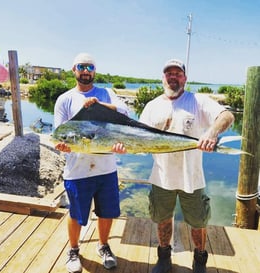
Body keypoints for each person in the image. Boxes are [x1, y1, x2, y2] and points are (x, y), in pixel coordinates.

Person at [139, 59, 234, 273]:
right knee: (162, 219)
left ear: (185, 78)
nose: (173, 77)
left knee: (198, 222)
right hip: (161, 177)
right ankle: (164, 257)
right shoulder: (152, 106)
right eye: (168, 73)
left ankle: (199, 259)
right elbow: (140, 138)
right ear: (162, 78)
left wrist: (211, 132)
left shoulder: (198, 101)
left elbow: (227, 115)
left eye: (178, 73)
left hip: (193, 177)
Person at [54, 53, 128, 273]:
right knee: (76, 213)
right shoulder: (65, 99)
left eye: (90, 67)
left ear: (95, 71)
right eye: (81, 66)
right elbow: (59, 133)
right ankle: (73, 250)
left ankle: (103, 246)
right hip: (77, 170)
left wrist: (99, 105)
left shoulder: (107, 93)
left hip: (106, 168)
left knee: (107, 212)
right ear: (74, 70)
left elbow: (125, 111)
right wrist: (63, 146)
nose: (86, 70)